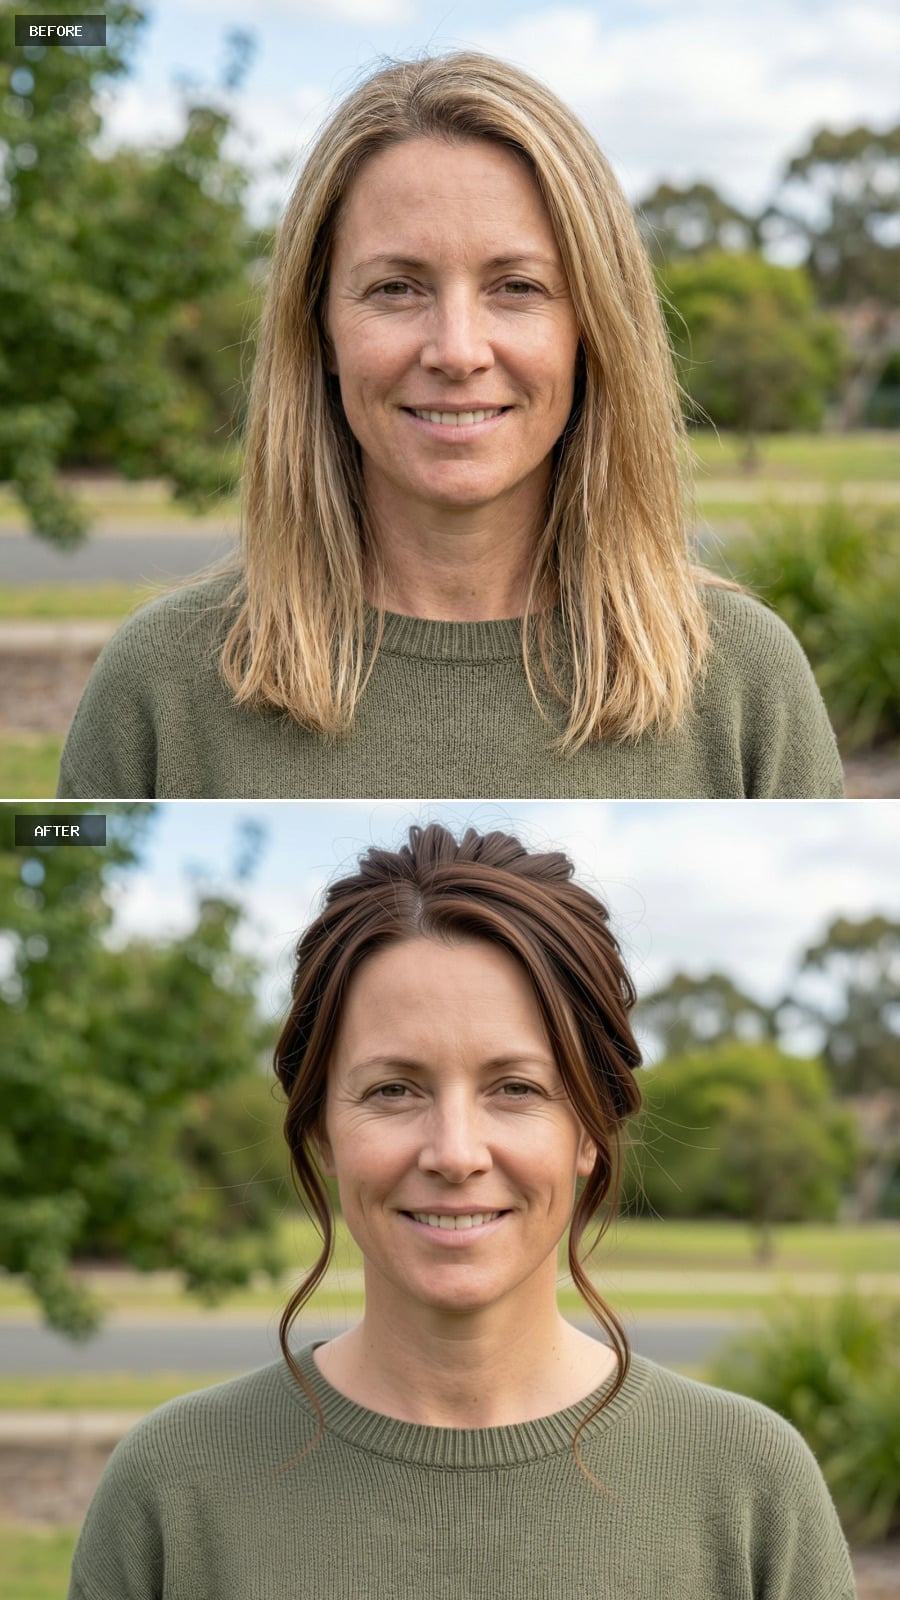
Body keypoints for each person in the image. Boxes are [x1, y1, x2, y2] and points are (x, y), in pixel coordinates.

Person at [68, 824, 856, 1600]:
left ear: (591, 1128)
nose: (454, 1152)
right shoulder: (170, 1489)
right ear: (322, 1134)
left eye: (515, 1088)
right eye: (393, 1090)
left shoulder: (751, 1486)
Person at [57, 53, 842, 800]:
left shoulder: (743, 679)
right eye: (397, 287)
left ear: (592, 328)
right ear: (320, 327)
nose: (458, 351)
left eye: (517, 286)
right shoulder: (159, 686)